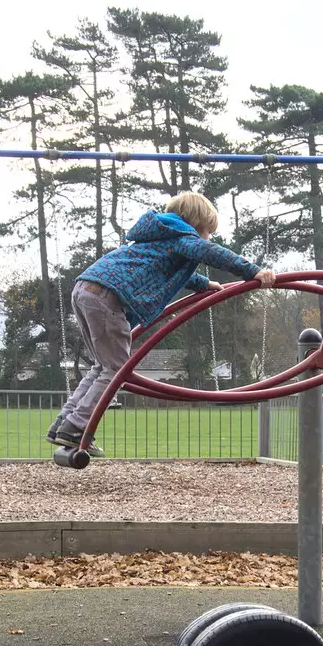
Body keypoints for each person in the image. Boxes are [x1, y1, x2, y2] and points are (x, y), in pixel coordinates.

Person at [48, 191, 276, 452]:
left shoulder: (159, 235)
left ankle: (64, 423)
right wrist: (254, 271)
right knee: (116, 369)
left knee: (103, 366)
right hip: (107, 296)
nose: (208, 237)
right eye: (208, 231)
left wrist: (203, 284)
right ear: (196, 224)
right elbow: (210, 252)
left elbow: (163, 269)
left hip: (86, 289)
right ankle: (76, 427)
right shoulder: (182, 237)